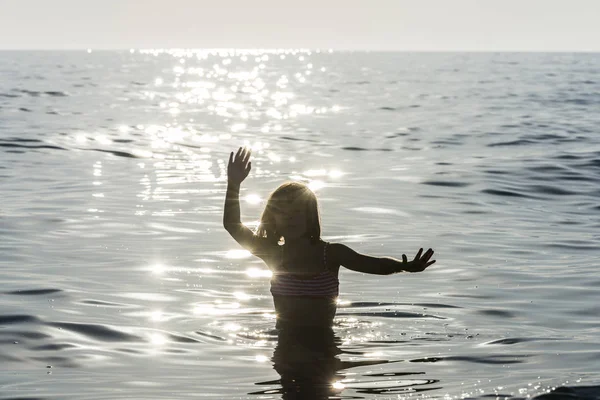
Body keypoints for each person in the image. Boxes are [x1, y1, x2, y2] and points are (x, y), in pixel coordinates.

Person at [223, 146, 436, 328]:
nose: (291, 219)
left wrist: (403, 266)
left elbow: (373, 264)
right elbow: (232, 225)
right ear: (273, 221)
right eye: (284, 214)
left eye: (297, 213)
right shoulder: (273, 254)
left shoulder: (331, 254)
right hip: (285, 343)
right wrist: (234, 184)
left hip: (325, 342)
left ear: (309, 217)